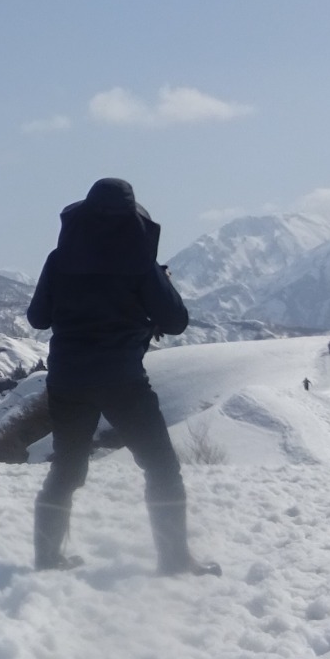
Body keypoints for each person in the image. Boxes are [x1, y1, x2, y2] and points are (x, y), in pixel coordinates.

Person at [25, 178, 219, 575]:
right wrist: (159, 284)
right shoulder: (140, 263)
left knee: (66, 469)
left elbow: (37, 318)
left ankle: (47, 558)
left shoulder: (59, 259)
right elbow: (175, 322)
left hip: (67, 379)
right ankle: (174, 559)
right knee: (161, 468)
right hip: (122, 381)